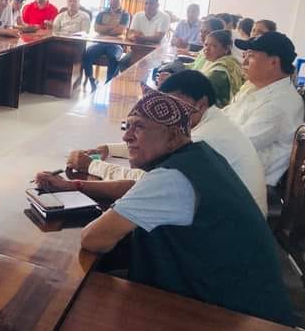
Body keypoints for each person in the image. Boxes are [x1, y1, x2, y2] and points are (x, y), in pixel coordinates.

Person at [39, 86, 296, 326]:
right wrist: (74, 186)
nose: (127, 136)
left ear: (172, 136)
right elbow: (136, 188)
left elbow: (94, 239)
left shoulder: (172, 179)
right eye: (127, 126)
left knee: (71, 303)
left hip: (234, 317)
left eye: (139, 127)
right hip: (245, 296)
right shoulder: (199, 156)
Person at [52, 71, 268, 216]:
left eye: (174, 103)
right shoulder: (209, 122)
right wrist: (108, 149)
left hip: (224, 234)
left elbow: (144, 183)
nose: (167, 111)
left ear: (201, 104)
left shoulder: (204, 140)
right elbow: (159, 145)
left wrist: (92, 165)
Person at [226, 32, 304, 186]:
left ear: (273, 62)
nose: (244, 61)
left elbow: (237, 145)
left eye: (251, 56)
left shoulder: (281, 102)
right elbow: (223, 117)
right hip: (230, 169)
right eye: (245, 55)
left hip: (246, 184)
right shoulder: (253, 87)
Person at [81, 0, 130, 89]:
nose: (114, 0)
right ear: (108, 0)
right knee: (87, 53)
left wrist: (104, 29)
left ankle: (109, 83)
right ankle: (92, 79)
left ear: (121, 0)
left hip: (116, 44)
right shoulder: (102, 13)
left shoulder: (125, 15)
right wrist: (113, 26)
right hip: (100, 43)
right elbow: (96, 28)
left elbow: (120, 30)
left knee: (114, 57)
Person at [193, 29, 245, 108]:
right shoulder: (227, 61)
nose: (207, 49)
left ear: (226, 49)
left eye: (213, 46)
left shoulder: (219, 72)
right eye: (206, 45)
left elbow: (198, 95)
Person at [119, 0, 170, 69]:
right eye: (146, 3)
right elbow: (130, 34)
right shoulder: (138, 15)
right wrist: (134, 37)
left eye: (151, 4)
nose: (148, 6)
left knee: (144, 66)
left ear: (157, 5)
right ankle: (130, 77)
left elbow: (158, 38)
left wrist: (141, 38)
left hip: (156, 51)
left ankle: (142, 77)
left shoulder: (164, 17)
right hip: (140, 49)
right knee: (122, 63)